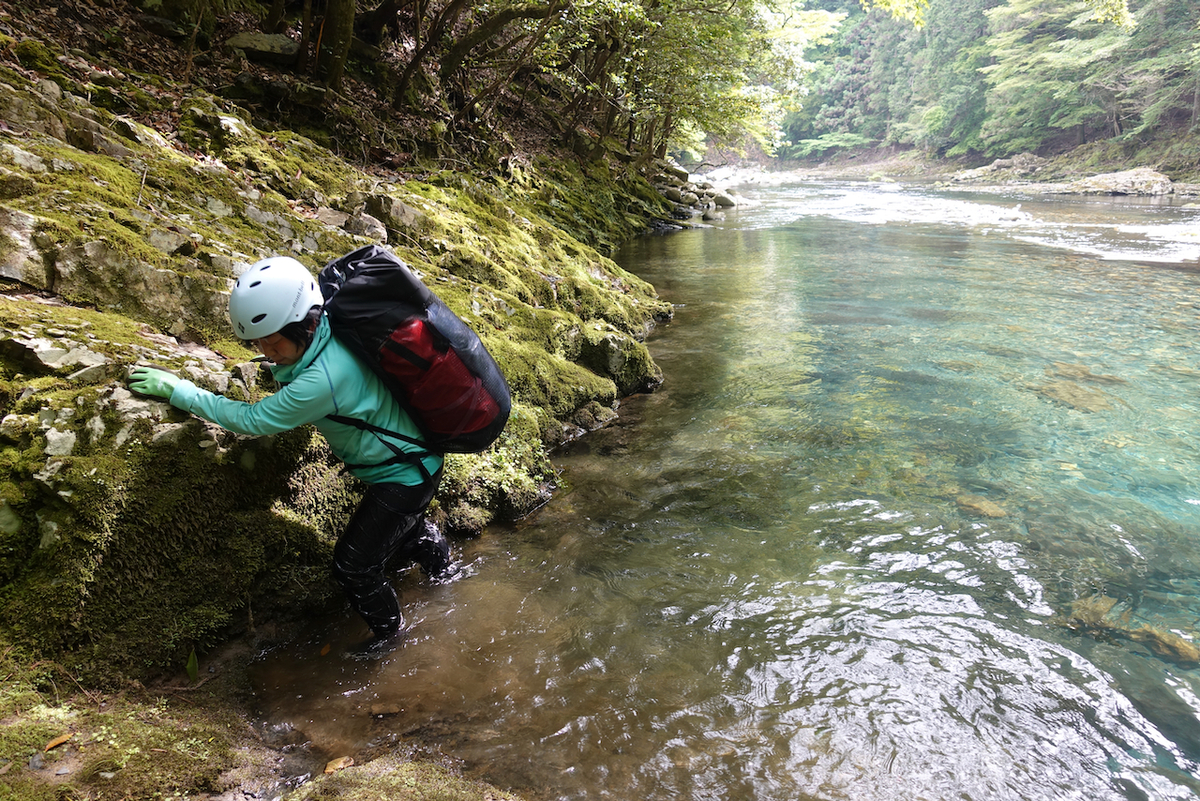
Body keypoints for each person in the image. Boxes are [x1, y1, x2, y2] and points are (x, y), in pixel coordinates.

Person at [128, 255, 453, 658]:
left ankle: (393, 639)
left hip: (405, 475)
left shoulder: (322, 381)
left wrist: (180, 391)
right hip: (413, 462)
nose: (266, 352)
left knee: (353, 566)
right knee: (399, 534)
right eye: (258, 343)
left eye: (273, 341)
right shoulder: (331, 325)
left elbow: (252, 419)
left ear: (303, 324)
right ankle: (446, 571)